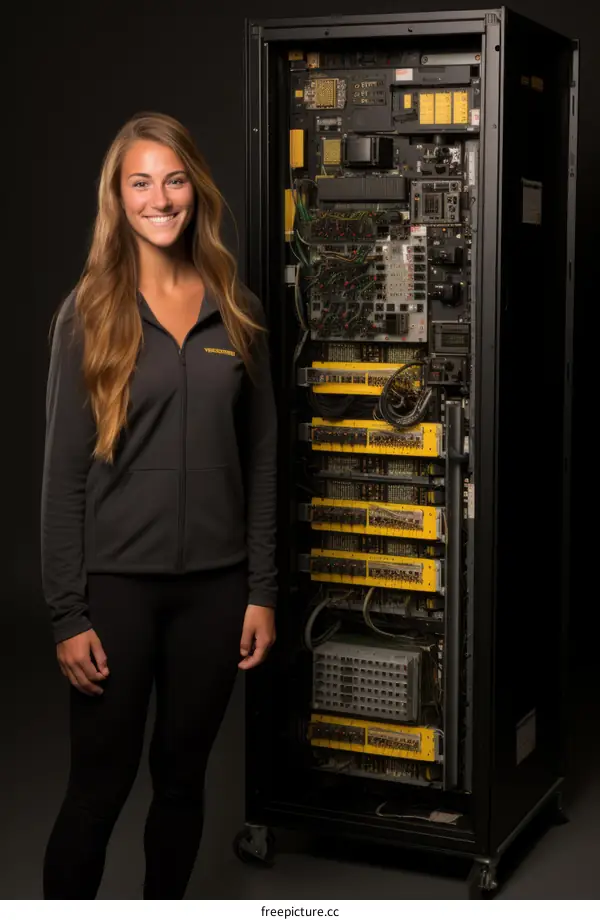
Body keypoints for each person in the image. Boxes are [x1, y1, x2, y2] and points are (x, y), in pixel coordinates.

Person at [40, 111, 277, 899]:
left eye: (173, 179)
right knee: (97, 792)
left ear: (194, 188)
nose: (160, 198)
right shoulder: (89, 314)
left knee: (182, 783)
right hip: (117, 595)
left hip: (216, 593)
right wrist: (67, 613)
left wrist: (261, 591)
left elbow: (263, 454)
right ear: (118, 196)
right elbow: (62, 475)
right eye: (140, 182)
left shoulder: (234, 306)